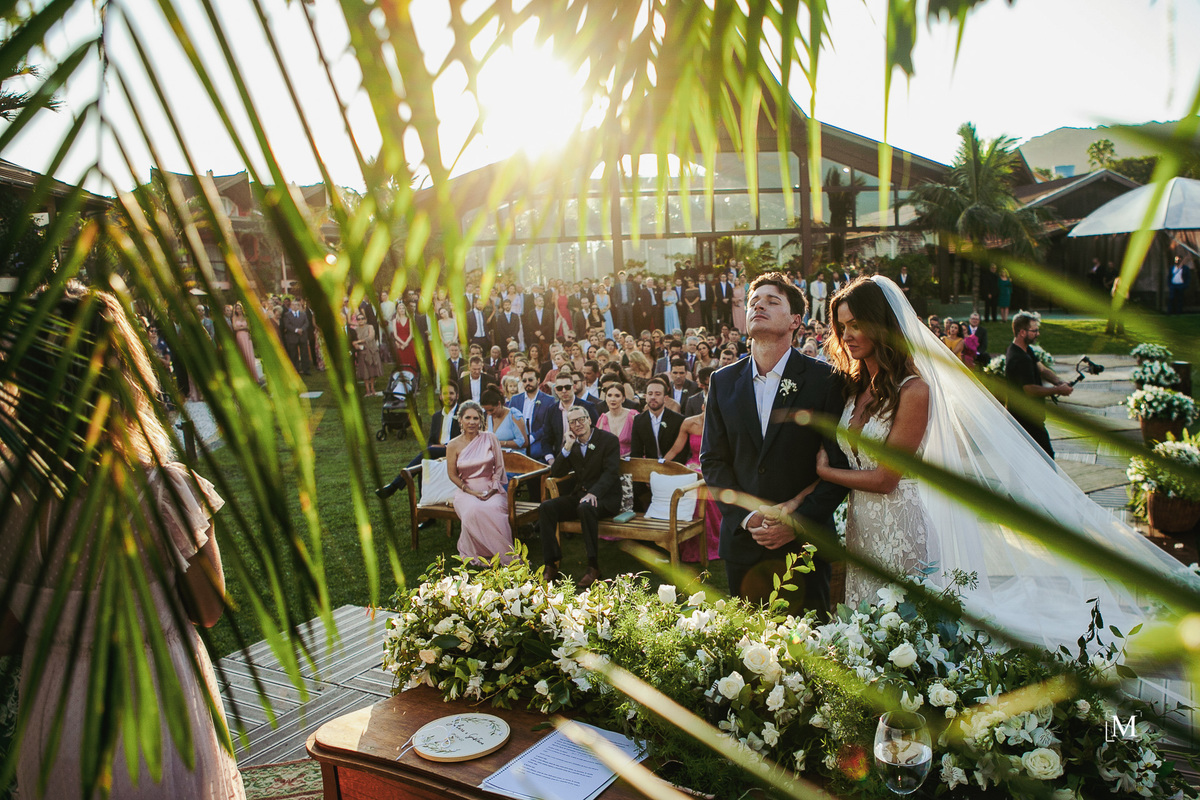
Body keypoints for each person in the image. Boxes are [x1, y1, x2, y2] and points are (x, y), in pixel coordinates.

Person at [816, 275, 1198, 649]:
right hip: (860, 528)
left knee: (899, 633)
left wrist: (825, 472)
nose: (847, 335)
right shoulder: (855, 388)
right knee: (865, 628)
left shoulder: (913, 390)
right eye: (842, 326)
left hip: (900, 528)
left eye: (856, 324)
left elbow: (886, 479)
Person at [0, 282, 245, 798]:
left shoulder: (11, 502)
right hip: (157, 716)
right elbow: (207, 610)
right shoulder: (161, 493)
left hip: (56, 721)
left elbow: (5, 635)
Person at [701, 272, 850, 613]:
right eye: (754, 302)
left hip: (804, 546)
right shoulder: (723, 381)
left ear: (795, 320)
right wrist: (747, 516)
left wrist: (797, 523)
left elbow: (840, 464)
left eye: (772, 301)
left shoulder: (825, 380)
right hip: (744, 543)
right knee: (747, 639)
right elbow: (713, 459)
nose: (759, 306)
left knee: (810, 642)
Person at [538, 405, 622, 587]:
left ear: (589, 420)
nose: (578, 424)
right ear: (569, 425)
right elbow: (557, 472)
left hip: (606, 498)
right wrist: (567, 447)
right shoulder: (572, 443)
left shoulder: (608, 440)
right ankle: (551, 563)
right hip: (580, 495)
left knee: (586, 507)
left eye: (581, 419)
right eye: (573, 422)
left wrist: (594, 493)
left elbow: (611, 473)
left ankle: (593, 566)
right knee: (546, 507)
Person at [446, 401, 515, 565]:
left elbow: (499, 467)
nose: (472, 422)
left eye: (475, 418)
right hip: (466, 491)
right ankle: (480, 552)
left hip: (491, 488)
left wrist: (493, 488)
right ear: (460, 420)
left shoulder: (490, 438)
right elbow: (452, 474)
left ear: (481, 420)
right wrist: (469, 491)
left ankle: (503, 554)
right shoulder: (453, 445)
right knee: (473, 510)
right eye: (468, 418)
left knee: (494, 508)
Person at [1004, 311, 1072, 457]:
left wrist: (1059, 382)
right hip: (1024, 418)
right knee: (1046, 458)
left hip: (1031, 416)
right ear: (1022, 332)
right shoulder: (1019, 358)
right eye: (1034, 331)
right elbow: (1029, 389)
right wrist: (1057, 390)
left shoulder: (1025, 350)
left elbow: (1041, 369)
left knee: (1030, 459)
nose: (1038, 334)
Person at [377, 382, 461, 497]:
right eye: (445, 393)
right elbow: (431, 440)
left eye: (451, 393)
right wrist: (435, 448)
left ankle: (394, 486)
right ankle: (424, 502)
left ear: (457, 396)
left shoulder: (462, 414)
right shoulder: (437, 416)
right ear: (440, 396)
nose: (448, 396)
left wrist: (443, 447)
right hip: (436, 453)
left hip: (455, 452)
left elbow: (463, 440)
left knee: (427, 452)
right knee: (423, 466)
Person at [662, 398, 720, 563]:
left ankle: (709, 540)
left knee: (703, 489)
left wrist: (705, 466)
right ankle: (680, 538)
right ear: (702, 407)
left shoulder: (721, 424)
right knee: (685, 483)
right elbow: (676, 449)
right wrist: (660, 466)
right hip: (692, 465)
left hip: (713, 466)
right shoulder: (689, 423)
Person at [539, 374, 599, 464]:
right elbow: (546, 439)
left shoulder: (588, 407)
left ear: (573, 387)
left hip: (583, 457)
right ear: (555, 390)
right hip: (559, 457)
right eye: (560, 388)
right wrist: (550, 459)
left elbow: (596, 434)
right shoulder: (551, 410)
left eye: (567, 387)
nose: (564, 391)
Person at [631, 376, 689, 464]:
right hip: (649, 466)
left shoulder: (678, 420)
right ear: (645, 397)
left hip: (673, 466)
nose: (653, 397)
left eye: (657, 394)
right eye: (650, 394)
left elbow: (683, 452)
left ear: (665, 398)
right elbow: (636, 452)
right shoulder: (639, 420)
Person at [509, 366, 554, 460]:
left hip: (538, 439)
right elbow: (509, 421)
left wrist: (533, 437)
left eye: (530, 380)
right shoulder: (515, 399)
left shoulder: (549, 400)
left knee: (534, 453)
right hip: (518, 439)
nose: (527, 383)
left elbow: (548, 424)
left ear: (538, 380)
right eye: (524, 381)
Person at [596, 382, 637, 457]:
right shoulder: (602, 419)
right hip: (609, 461)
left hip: (631, 460)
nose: (613, 399)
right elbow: (598, 446)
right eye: (609, 395)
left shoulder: (633, 416)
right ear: (605, 398)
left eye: (617, 396)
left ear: (623, 399)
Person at [353, 311, 383, 396]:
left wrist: (358, 341)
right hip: (362, 352)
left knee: (372, 370)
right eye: (358, 319)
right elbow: (353, 341)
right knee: (364, 371)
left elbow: (371, 337)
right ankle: (367, 389)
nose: (361, 320)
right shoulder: (355, 330)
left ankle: (372, 387)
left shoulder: (370, 327)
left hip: (372, 351)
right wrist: (356, 345)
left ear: (365, 319)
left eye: (362, 318)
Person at [282, 297, 312, 374]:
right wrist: (296, 330)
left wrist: (302, 329)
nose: (295, 306)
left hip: (302, 336)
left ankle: (306, 369)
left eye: (296, 305)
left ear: (299, 306)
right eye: (293, 305)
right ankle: (296, 369)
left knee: (304, 353)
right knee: (294, 354)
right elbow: (287, 325)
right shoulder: (287, 315)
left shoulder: (303, 314)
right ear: (291, 306)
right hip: (292, 337)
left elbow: (306, 323)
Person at [231, 301, 257, 378]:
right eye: (237, 309)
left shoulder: (246, 317)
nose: (238, 310)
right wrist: (243, 327)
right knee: (243, 353)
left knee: (249, 353)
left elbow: (249, 327)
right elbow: (235, 328)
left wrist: (241, 327)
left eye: (239, 308)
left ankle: (253, 374)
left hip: (247, 335)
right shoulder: (234, 318)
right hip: (239, 336)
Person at [392, 300, 418, 370]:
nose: (402, 310)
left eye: (403, 308)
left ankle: (412, 374)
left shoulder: (409, 320)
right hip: (400, 343)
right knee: (402, 360)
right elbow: (395, 335)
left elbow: (411, 334)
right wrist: (403, 344)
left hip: (409, 342)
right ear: (397, 310)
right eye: (400, 308)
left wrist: (406, 343)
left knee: (410, 359)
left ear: (405, 309)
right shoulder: (395, 321)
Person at [731, 269, 747, 334]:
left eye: (738, 280)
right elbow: (731, 297)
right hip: (735, 305)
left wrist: (738, 299)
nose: (737, 281)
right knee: (736, 318)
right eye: (735, 280)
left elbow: (743, 296)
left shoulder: (742, 288)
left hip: (741, 304)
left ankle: (743, 330)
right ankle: (738, 330)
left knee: (742, 317)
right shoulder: (733, 289)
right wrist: (734, 300)